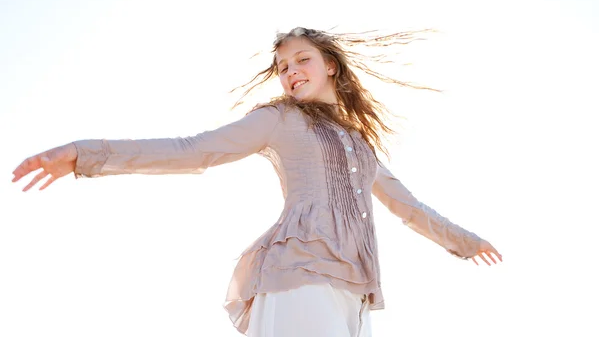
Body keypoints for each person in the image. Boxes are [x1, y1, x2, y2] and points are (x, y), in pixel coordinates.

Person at [12, 27, 502, 337]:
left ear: (330, 64)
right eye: (283, 67)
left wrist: (466, 241)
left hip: (355, 288)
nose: (291, 72)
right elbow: (194, 150)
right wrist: (84, 155)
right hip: (298, 274)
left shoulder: (360, 145)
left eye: (301, 60)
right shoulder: (278, 119)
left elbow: (408, 206)